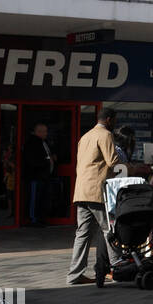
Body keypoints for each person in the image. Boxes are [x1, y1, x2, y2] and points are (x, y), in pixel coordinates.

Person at [68, 108, 121, 287]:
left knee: (82, 234)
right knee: (109, 230)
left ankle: (74, 274)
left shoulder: (85, 137)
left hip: (81, 191)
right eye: (114, 120)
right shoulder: (105, 135)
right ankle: (117, 266)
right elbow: (113, 161)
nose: (115, 124)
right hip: (96, 191)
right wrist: (134, 167)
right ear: (108, 119)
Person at [23, 122, 56, 226]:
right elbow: (33, 160)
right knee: (34, 198)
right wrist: (47, 160)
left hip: (44, 176)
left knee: (42, 199)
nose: (46, 133)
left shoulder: (43, 142)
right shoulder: (32, 143)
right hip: (36, 176)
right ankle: (33, 219)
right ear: (38, 132)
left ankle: (40, 218)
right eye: (44, 131)